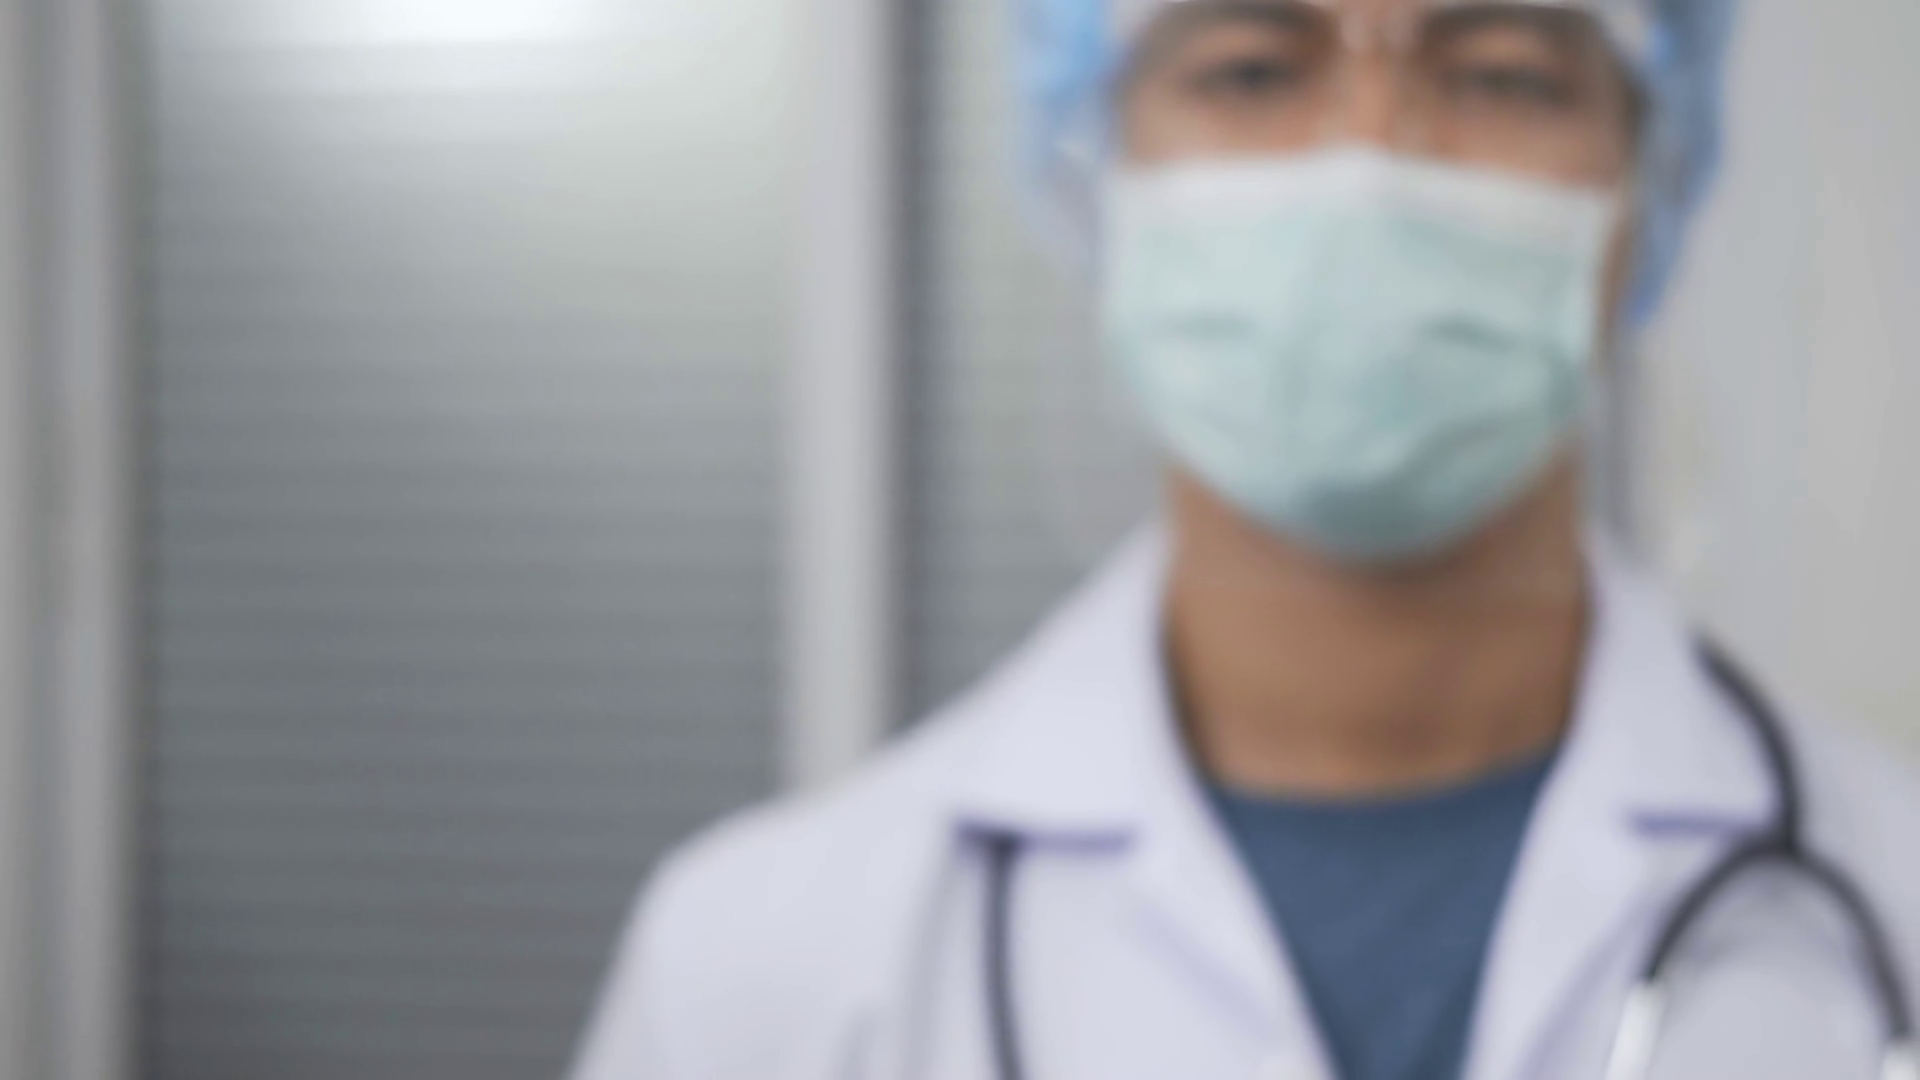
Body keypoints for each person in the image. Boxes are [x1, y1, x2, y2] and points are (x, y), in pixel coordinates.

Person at [571, 1, 1920, 1077]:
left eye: (1502, 72)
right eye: (1254, 68)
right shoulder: (760, 973)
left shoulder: (1891, 896)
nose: (1371, 154)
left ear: (1652, 174)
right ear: (1094, 154)